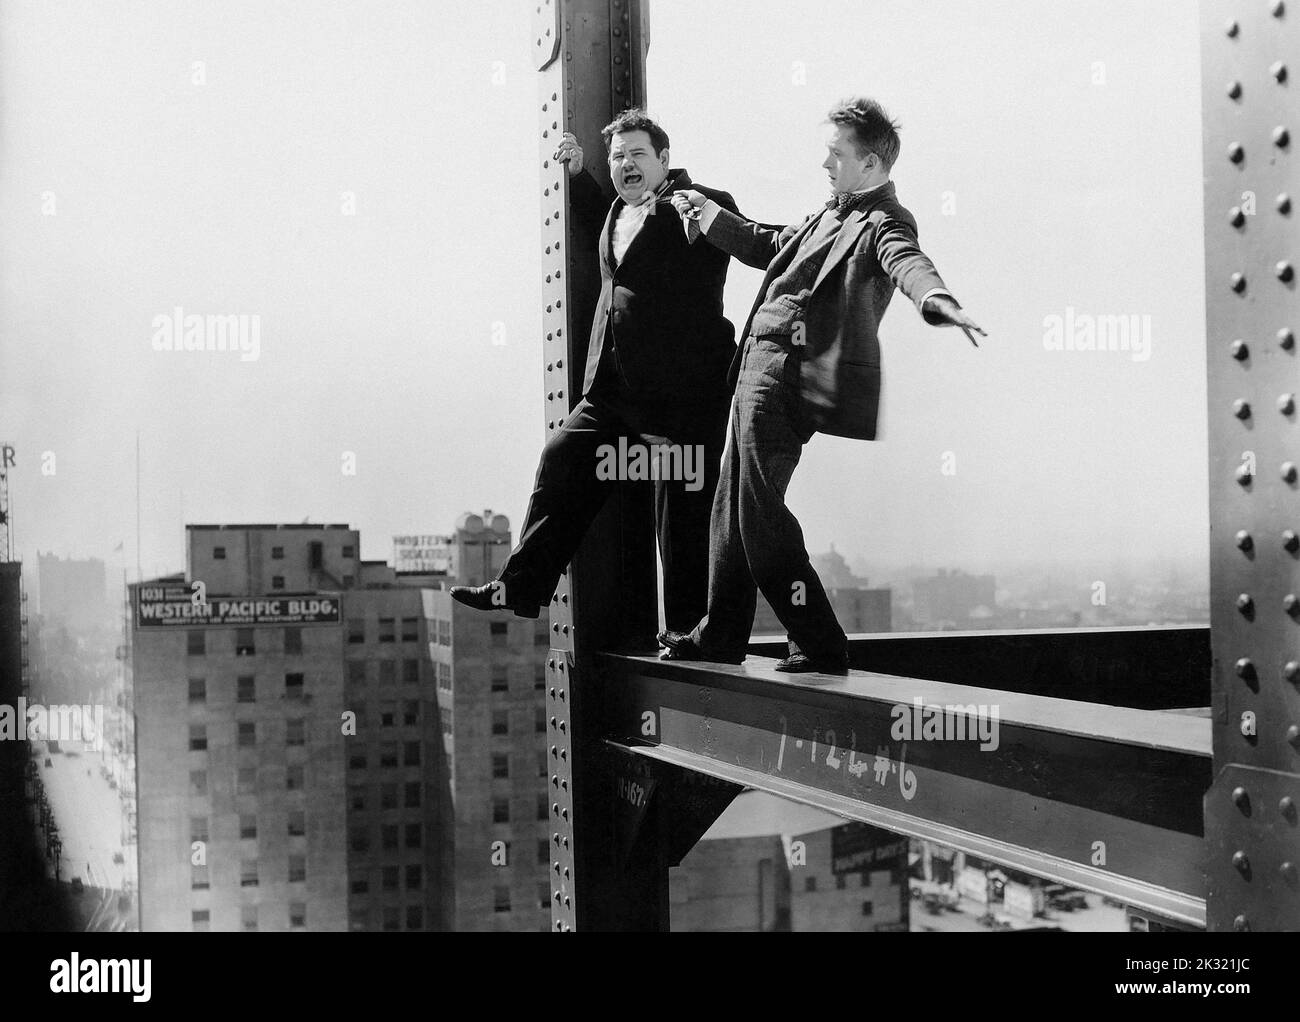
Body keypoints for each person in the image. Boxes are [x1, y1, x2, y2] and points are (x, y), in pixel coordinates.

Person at [659, 97, 986, 674]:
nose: (826, 164)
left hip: (787, 373)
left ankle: (819, 641)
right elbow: (768, 246)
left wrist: (937, 301)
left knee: (757, 514)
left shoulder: (884, 220)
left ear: (872, 163)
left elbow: (906, 261)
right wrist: (710, 217)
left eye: (837, 154)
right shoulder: (830, 213)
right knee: (729, 508)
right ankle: (722, 635)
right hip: (754, 365)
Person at [451, 110, 741, 634]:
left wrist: (701, 215)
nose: (626, 164)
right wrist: (582, 169)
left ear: (664, 160)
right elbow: (598, 222)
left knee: (682, 519)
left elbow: (729, 246)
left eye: (637, 154)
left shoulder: (700, 207)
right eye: (618, 157)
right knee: (562, 459)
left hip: (681, 398)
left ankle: (689, 634)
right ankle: (519, 585)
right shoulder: (613, 212)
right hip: (611, 389)